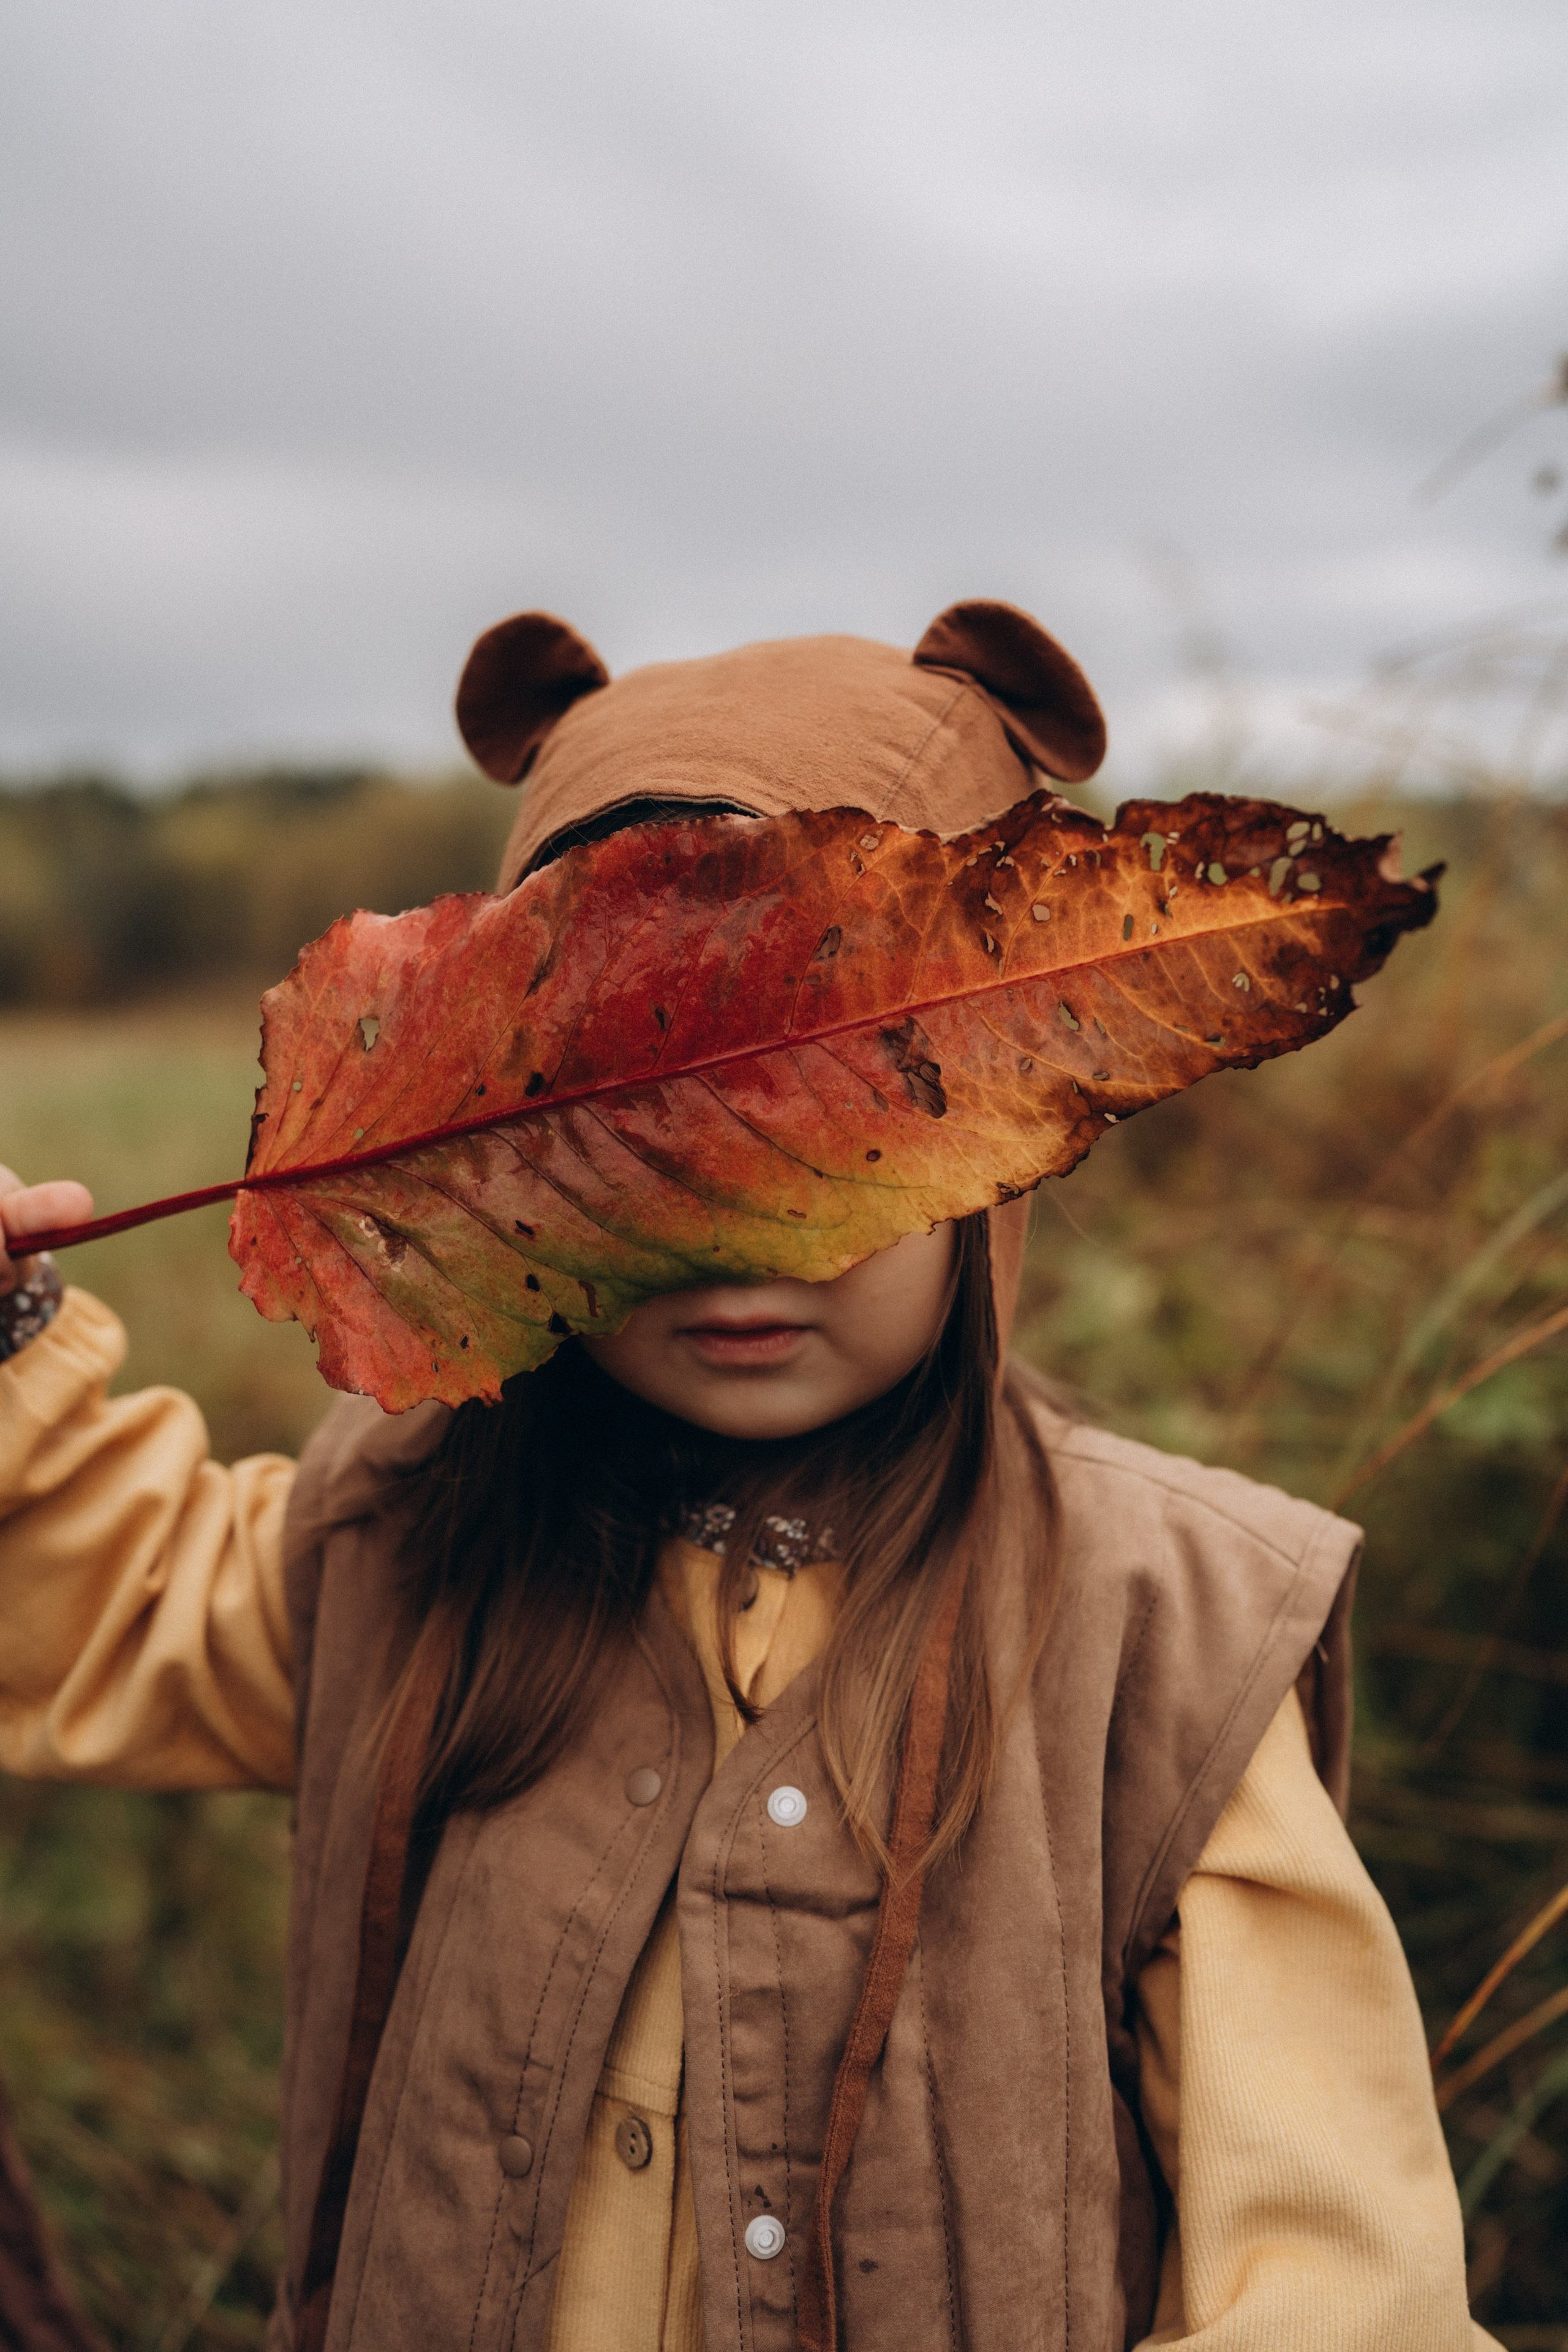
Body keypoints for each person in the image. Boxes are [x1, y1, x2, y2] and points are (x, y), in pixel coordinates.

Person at [0, 603, 1496, 2352]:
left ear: (1001, 1135)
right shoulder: (408, 1542)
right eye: (642, 1155)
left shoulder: (1163, 1645)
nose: (736, 1243)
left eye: (832, 1141)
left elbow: (1332, 2286)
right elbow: (106, 1599)